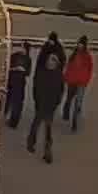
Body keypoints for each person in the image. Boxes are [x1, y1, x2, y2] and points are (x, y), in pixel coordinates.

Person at [25, 33, 64, 162]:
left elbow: (60, 90)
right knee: (36, 124)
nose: (52, 63)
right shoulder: (42, 73)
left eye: (54, 62)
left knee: (48, 128)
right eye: (51, 61)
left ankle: (47, 152)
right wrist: (37, 100)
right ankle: (31, 142)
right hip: (42, 103)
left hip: (51, 105)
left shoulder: (58, 75)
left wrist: (57, 102)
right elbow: (37, 88)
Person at [62, 36, 93, 130]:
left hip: (81, 82)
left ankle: (74, 122)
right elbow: (69, 67)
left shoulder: (87, 56)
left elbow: (90, 69)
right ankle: (66, 112)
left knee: (77, 102)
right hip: (72, 80)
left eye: (82, 44)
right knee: (69, 98)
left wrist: (86, 80)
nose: (80, 46)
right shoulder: (74, 54)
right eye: (79, 44)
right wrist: (65, 77)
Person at [4, 44, 30, 128]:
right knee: (8, 101)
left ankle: (13, 122)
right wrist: (15, 69)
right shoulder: (14, 56)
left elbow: (27, 72)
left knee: (17, 104)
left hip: (19, 84)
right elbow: (7, 68)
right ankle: (4, 115)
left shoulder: (28, 59)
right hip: (12, 82)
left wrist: (22, 70)